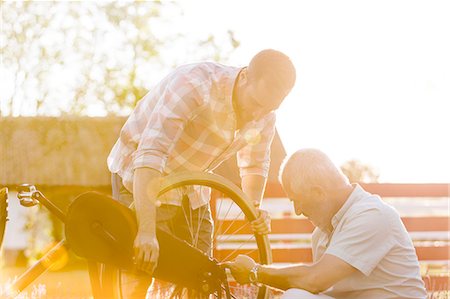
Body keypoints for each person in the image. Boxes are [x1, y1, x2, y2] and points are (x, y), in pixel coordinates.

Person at [107, 49, 296, 297]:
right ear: (245, 76)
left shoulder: (265, 115)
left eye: (268, 108)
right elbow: (151, 153)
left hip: (192, 183)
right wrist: (146, 231)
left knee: (201, 277)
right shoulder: (193, 85)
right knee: (140, 266)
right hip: (142, 172)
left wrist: (253, 207)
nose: (256, 115)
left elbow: (254, 164)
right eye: (256, 104)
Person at [224, 148, 427, 299]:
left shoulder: (372, 215)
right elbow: (315, 287)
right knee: (296, 296)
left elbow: (314, 280)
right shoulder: (322, 233)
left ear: (318, 192)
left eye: (296, 200)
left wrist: (255, 272)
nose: (297, 211)